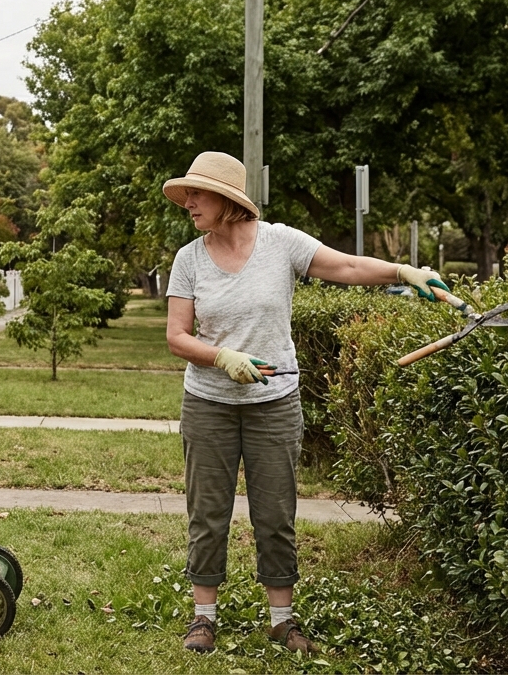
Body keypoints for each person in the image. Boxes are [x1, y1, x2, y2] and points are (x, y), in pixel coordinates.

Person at [162, 151, 448, 654]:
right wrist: (222, 357)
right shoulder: (189, 258)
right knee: (208, 510)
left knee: (275, 510)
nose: (188, 202)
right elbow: (177, 337)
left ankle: (281, 619)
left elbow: (348, 264)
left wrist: (403, 271)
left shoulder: (280, 243)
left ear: (228, 200)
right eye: (187, 193)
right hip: (209, 402)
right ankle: (203, 617)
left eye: (197, 193)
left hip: (275, 403)